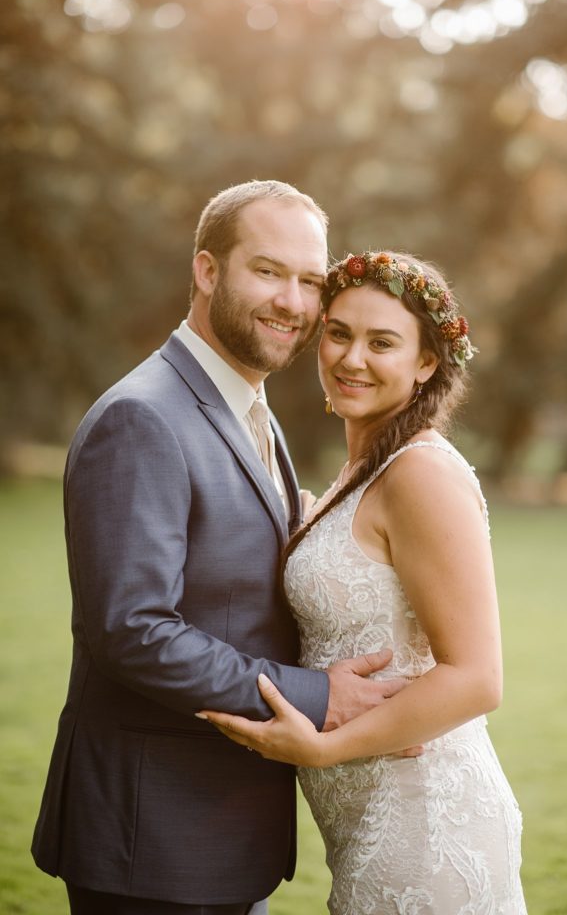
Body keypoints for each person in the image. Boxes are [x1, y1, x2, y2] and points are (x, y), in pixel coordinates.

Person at [32, 184, 408, 915]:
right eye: (268, 271)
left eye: (309, 281)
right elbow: (131, 630)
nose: (294, 303)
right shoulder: (143, 418)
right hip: (152, 843)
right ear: (207, 271)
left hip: (220, 833)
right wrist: (319, 696)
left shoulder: (249, 411)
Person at [201, 250, 528, 915]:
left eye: (383, 343)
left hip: (427, 826)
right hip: (368, 828)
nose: (352, 359)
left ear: (426, 363)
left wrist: (322, 749)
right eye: (340, 333)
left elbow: (476, 677)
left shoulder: (420, 476)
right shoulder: (358, 474)